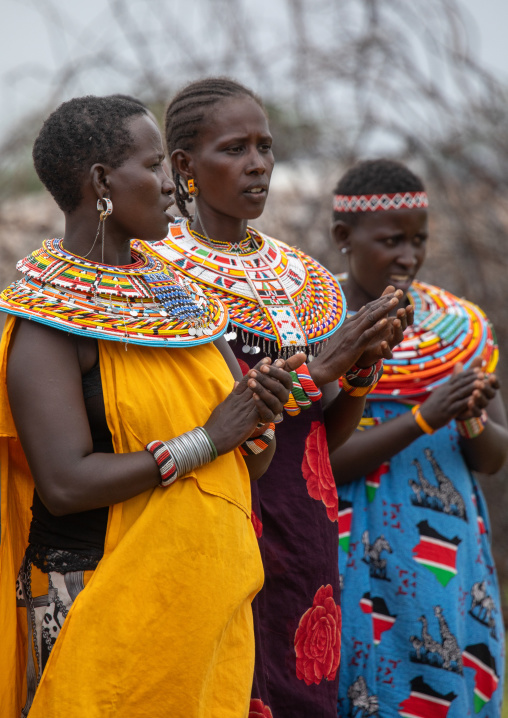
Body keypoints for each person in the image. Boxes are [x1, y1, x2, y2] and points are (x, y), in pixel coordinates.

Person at [0, 95, 295, 718]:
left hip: (204, 600)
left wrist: (257, 416)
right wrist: (209, 439)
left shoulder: (184, 303)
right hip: (96, 595)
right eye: (154, 165)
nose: (171, 184)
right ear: (102, 182)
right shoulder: (47, 323)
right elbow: (65, 482)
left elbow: (248, 465)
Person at [139, 77, 413, 718]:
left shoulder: (304, 277)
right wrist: (326, 367)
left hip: (306, 526)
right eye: (235, 149)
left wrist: (364, 364)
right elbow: (215, 418)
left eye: (265, 146)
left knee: (299, 689)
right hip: (220, 511)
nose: (258, 163)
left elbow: (323, 438)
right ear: (185, 167)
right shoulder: (158, 276)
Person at [330, 159, 507, 717]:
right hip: (357, 542)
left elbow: (494, 457)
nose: (408, 256)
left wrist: (470, 416)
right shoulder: (320, 325)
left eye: (419, 240)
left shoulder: (458, 329)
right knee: (367, 684)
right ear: (344, 237)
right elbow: (328, 462)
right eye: (391, 241)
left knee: (448, 685)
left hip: (448, 551)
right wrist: (424, 418)